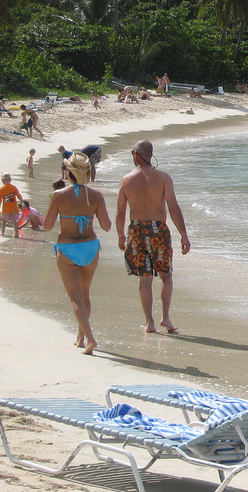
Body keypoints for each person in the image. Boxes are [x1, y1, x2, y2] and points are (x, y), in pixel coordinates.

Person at [116, 140, 191, 334]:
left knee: (145, 278)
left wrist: (121, 236)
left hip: (136, 230)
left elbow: (120, 212)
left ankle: (149, 322)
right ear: (151, 155)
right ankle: (165, 318)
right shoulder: (164, 178)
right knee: (166, 275)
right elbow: (173, 208)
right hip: (158, 230)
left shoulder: (126, 180)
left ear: (136, 155)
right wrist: (184, 235)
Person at [44, 152, 111, 354]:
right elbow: (106, 226)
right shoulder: (96, 195)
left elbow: (47, 227)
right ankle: (80, 337)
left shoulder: (58, 195)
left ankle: (90, 339)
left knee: (75, 297)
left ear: (69, 172)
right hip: (90, 247)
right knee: (85, 294)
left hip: (67, 248)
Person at [0, 173, 22, 238]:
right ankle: (16, 234)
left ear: (4, 180)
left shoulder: (2, 188)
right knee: (14, 221)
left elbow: (0, 199)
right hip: (14, 208)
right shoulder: (13, 187)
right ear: (10, 180)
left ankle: (3, 233)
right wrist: (22, 202)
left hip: (6, 209)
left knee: (4, 221)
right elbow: (19, 196)